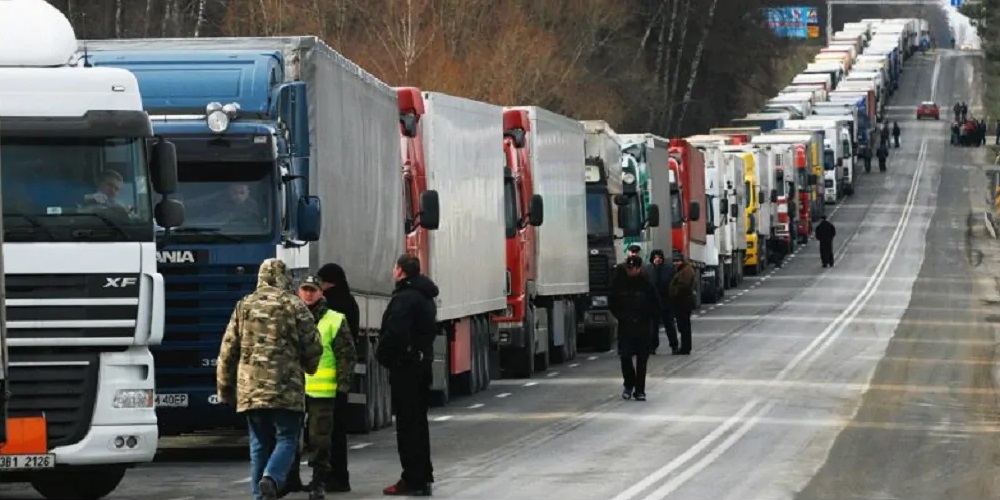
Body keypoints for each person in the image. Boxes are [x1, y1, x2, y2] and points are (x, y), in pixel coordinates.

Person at [216, 258, 324, 500]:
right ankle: (272, 477)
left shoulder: (244, 306)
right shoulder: (294, 306)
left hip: (251, 390)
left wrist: (225, 389)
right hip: (287, 389)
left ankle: (260, 496)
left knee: (258, 444)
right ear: (285, 278)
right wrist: (310, 366)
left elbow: (228, 350)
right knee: (287, 439)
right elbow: (313, 344)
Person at [376, 254, 439, 496]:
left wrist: (384, 356)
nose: (393, 271)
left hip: (407, 368)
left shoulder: (405, 299)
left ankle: (413, 479)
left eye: (395, 267)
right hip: (422, 365)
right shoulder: (425, 296)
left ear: (401, 271)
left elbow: (396, 333)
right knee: (419, 424)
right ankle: (423, 476)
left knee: (407, 426)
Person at [295, 275, 357, 500]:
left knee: (320, 440)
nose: (309, 294)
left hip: (323, 391)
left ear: (321, 293)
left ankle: (319, 481)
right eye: (305, 289)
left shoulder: (335, 319)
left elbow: (346, 356)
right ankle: (291, 479)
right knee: (291, 438)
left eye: (313, 290)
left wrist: (343, 387)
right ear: (298, 292)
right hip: (294, 390)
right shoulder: (290, 318)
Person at [315, 262, 361, 493]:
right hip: (339, 377)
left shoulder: (332, 306)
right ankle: (338, 476)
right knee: (336, 430)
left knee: (329, 432)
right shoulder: (350, 302)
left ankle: (335, 477)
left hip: (327, 379)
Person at [610, 255, 660, 401]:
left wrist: (646, 317)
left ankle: (640, 390)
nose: (630, 271)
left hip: (643, 328)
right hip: (625, 327)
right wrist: (621, 316)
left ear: (639, 268)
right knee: (625, 357)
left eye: (633, 268)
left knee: (641, 360)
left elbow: (655, 304)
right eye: (628, 268)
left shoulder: (646, 284)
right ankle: (628, 384)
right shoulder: (620, 283)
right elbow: (613, 302)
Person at [667, 250, 696, 355]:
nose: (676, 263)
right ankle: (685, 347)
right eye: (674, 261)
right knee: (682, 326)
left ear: (682, 261)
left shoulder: (686, 271)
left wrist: (673, 291)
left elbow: (683, 286)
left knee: (684, 326)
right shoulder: (681, 270)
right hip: (681, 302)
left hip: (683, 302)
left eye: (678, 261)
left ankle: (685, 347)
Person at [648, 249, 677, 355]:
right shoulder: (649, 269)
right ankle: (652, 346)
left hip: (665, 301)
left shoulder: (668, 269)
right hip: (653, 302)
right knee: (653, 326)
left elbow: (671, 282)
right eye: (655, 258)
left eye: (660, 258)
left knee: (669, 325)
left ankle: (674, 345)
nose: (658, 260)